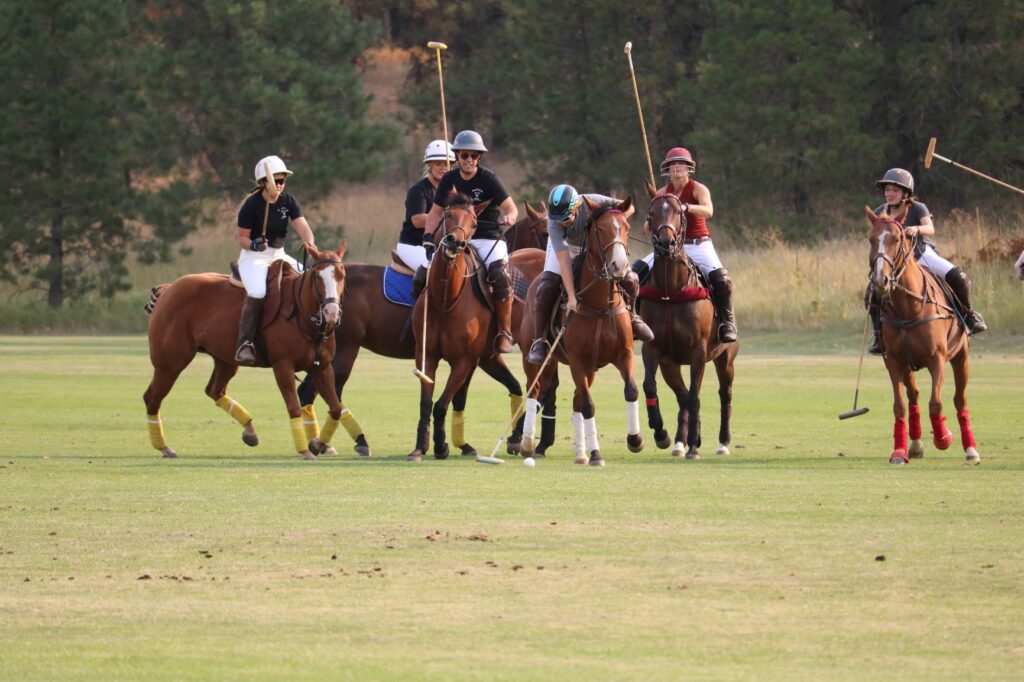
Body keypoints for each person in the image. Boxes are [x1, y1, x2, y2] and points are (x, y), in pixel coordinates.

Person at [525, 184, 654, 364]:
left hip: (595, 245)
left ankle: (633, 317)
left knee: (630, 279)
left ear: (576, 207)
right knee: (547, 287)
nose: (563, 222)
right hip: (566, 247)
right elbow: (563, 263)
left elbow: (629, 207)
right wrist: (571, 297)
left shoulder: (593, 201)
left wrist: (611, 221)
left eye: (566, 217)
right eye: (559, 218)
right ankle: (540, 341)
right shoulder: (555, 225)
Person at [867, 168, 987, 355]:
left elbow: (930, 228)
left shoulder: (918, 208)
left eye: (894, 190)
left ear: (906, 193)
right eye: (887, 190)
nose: (889, 194)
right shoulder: (880, 212)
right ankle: (879, 336)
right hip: (895, 263)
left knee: (958, 276)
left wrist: (916, 229)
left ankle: (969, 316)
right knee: (872, 292)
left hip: (922, 254)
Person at [422, 130, 518, 354]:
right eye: (464, 155)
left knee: (500, 276)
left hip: (489, 238)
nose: (469, 160)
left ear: (479, 158)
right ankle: (424, 325)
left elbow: (511, 208)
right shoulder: (449, 179)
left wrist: (509, 217)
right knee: (426, 274)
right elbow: (436, 212)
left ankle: (504, 332)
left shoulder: (489, 179)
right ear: (457, 156)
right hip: (458, 240)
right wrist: (428, 238)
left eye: (474, 156)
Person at [633, 147, 737, 343]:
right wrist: (654, 220)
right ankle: (635, 319)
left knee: (721, 279)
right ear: (667, 170)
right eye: (673, 165)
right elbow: (648, 228)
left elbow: (709, 211)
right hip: (670, 248)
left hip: (698, 245)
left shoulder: (698, 188)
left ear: (689, 168)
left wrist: (686, 207)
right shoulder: (662, 194)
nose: (677, 168)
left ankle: (727, 321)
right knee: (635, 273)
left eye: (681, 164)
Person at [234, 155, 316, 365]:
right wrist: (253, 244)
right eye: (276, 181)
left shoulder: (288, 202)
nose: (279, 185)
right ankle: (245, 343)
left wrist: (309, 244)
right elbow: (242, 238)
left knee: (310, 280)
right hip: (255, 257)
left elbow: (303, 228)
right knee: (258, 292)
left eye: (282, 181)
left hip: (279, 254)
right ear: (263, 182)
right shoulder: (251, 205)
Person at [399, 140, 455, 296]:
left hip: (438, 246)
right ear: (429, 165)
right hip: (414, 246)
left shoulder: (454, 192)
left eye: (448, 164)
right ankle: (415, 313)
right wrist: (447, 217)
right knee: (434, 270)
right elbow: (417, 220)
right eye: (438, 164)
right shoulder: (418, 190)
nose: (443, 168)